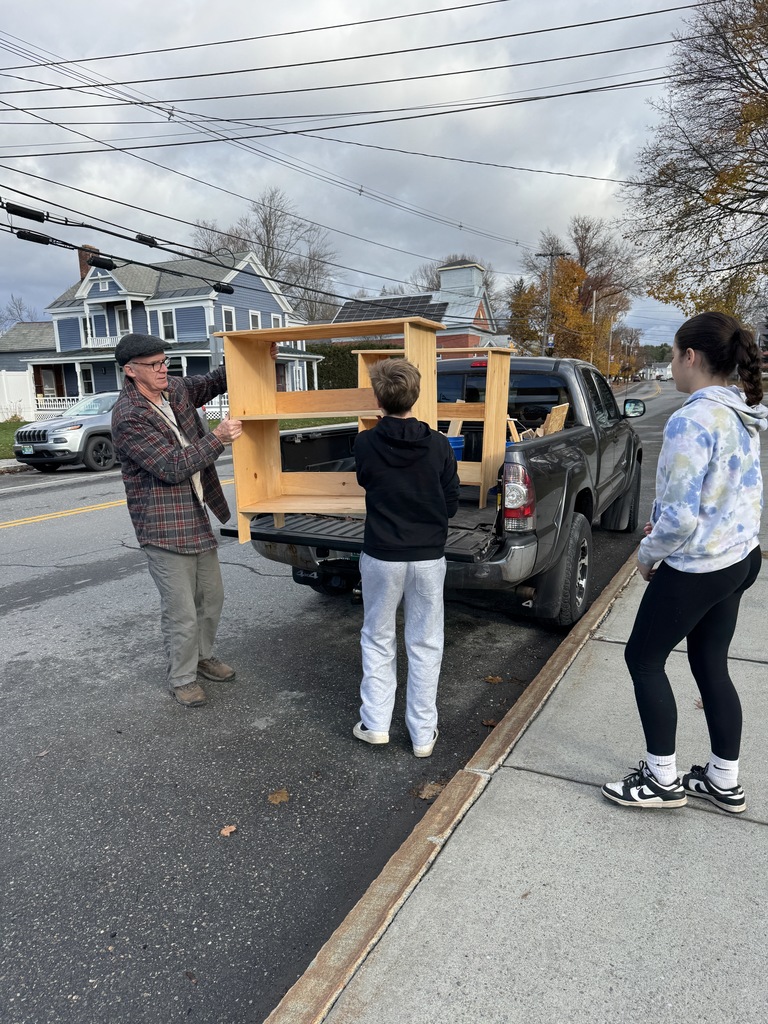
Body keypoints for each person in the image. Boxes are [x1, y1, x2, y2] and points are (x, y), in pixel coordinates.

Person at [602, 312, 766, 812]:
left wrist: (647, 558)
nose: (671, 365)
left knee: (643, 658)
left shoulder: (691, 419)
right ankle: (723, 779)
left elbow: (677, 519)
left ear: (690, 357)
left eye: (673, 355)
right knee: (710, 663)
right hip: (740, 557)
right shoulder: (741, 412)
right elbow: (721, 494)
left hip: (698, 567)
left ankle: (660, 780)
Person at [112, 332, 243, 708]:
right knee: (182, 610)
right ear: (131, 371)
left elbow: (215, 380)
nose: (162, 368)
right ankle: (182, 677)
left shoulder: (175, 390)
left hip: (195, 515)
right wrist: (218, 437)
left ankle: (203, 657)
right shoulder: (129, 416)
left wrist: (255, 353)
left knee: (211, 598)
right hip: (163, 525)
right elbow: (171, 467)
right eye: (153, 364)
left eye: (164, 360)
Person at [352, 358, 460, 757]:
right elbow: (450, 504)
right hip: (428, 557)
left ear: (379, 398)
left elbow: (366, 479)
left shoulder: (365, 442)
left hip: (381, 554)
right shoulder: (439, 444)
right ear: (416, 394)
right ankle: (422, 734)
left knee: (378, 638)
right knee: (426, 642)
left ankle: (376, 724)